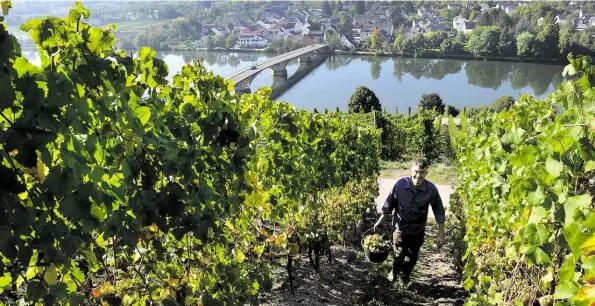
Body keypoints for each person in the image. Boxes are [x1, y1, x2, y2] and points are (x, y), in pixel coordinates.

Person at [373, 158, 446, 287]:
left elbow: (439, 211)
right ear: (411, 170)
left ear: (426, 173)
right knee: (399, 253)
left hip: (418, 230)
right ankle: (394, 272)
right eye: (416, 171)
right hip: (400, 228)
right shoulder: (400, 185)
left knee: (412, 257)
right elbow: (388, 205)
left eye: (422, 172)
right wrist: (379, 222)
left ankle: (405, 276)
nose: (418, 175)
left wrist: (441, 233)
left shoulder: (431, 189)